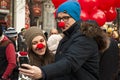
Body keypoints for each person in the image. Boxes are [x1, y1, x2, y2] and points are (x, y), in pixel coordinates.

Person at [19, 1, 107, 80]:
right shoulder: (67, 37)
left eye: (66, 18)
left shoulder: (85, 38)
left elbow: (70, 62)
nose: (61, 22)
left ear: (75, 17)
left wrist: (43, 72)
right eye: (59, 19)